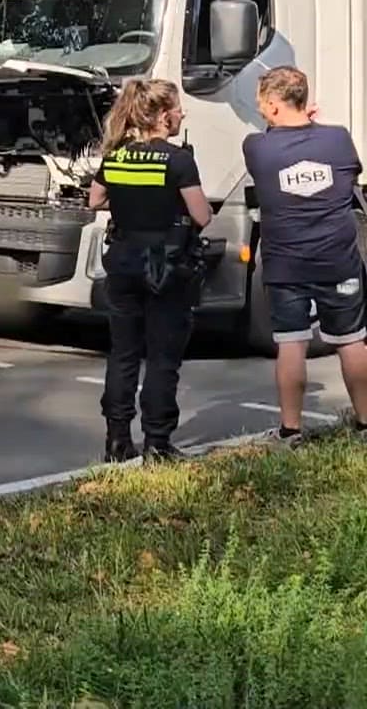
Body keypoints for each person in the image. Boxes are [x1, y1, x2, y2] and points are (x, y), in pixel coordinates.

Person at [240, 65, 367, 446]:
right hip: (338, 259)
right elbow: (349, 171)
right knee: (352, 341)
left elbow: (267, 159)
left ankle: (291, 431)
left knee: (292, 343)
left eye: (263, 104)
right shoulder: (338, 138)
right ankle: (365, 424)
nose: (261, 110)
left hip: (286, 264)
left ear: (276, 106)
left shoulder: (257, 146)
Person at [88, 77, 213, 464]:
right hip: (166, 266)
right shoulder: (178, 159)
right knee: (161, 356)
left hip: (123, 261)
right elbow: (201, 216)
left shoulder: (116, 156)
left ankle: (116, 440)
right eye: (176, 109)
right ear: (161, 116)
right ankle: (157, 443)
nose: (181, 114)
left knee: (123, 354)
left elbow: (95, 200)